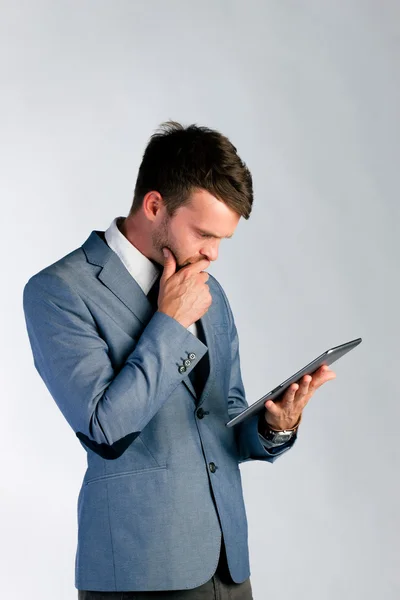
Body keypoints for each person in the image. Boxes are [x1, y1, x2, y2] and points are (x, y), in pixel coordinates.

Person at [23, 121, 336, 599]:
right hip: (138, 573)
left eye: (222, 241)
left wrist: (277, 425)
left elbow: (223, 421)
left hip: (228, 568)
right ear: (154, 206)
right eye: (205, 234)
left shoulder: (210, 293)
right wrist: (169, 324)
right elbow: (104, 431)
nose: (213, 253)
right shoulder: (58, 292)